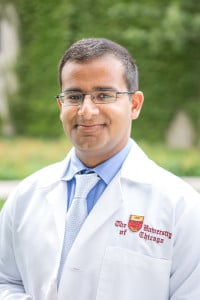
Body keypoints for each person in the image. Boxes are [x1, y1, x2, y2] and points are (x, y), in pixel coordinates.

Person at [0, 38, 200, 300]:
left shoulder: (182, 207)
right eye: (74, 96)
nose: (86, 110)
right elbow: (5, 281)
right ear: (62, 106)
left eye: (104, 95)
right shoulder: (25, 196)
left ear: (135, 105)